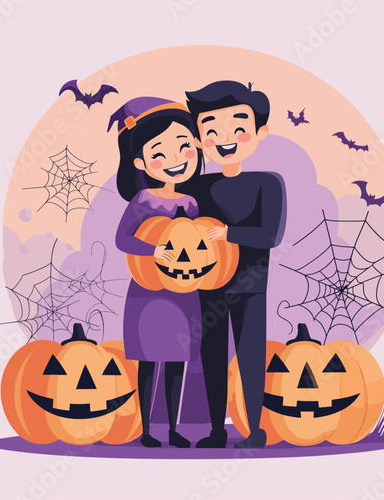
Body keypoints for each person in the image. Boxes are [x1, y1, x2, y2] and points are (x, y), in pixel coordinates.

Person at [185, 81, 287, 449]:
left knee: (249, 356)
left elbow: (270, 235)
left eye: (238, 127)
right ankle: (215, 430)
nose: (224, 137)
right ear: (198, 139)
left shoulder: (267, 183)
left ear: (261, 132)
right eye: (210, 129)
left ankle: (254, 430)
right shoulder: (197, 185)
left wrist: (228, 233)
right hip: (207, 284)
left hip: (251, 284)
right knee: (209, 357)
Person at [109, 97, 204, 448]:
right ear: (141, 161)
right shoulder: (144, 201)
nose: (176, 159)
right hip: (148, 294)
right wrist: (154, 250)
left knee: (177, 362)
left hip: (183, 293)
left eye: (184, 147)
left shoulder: (191, 204)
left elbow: (194, 245)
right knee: (149, 363)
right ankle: (148, 430)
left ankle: (173, 429)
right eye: (161, 153)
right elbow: (122, 239)